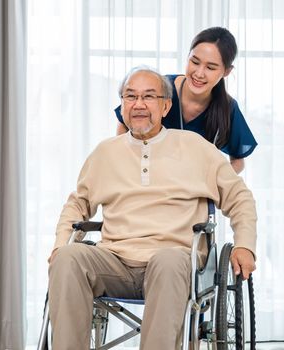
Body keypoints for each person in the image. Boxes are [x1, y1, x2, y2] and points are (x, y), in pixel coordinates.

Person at [48, 67, 257, 349]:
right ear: (122, 105)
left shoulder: (195, 147)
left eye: (149, 96)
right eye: (130, 96)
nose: (139, 104)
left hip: (174, 260)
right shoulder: (105, 153)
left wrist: (244, 244)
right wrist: (61, 245)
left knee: (168, 260)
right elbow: (77, 205)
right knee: (68, 257)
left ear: (166, 105)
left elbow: (239, 196)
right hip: (116, 260)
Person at [114, 27, 257, 174]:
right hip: (150, 181)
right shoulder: (161, 88)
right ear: (188, 56)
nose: (199, 73)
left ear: (226, 72)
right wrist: (130, 170)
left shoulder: (228, 108)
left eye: (210, 67)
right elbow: (125, 119)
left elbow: (238, 161)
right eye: (195, 62)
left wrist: (213, 185)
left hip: (194, 192)